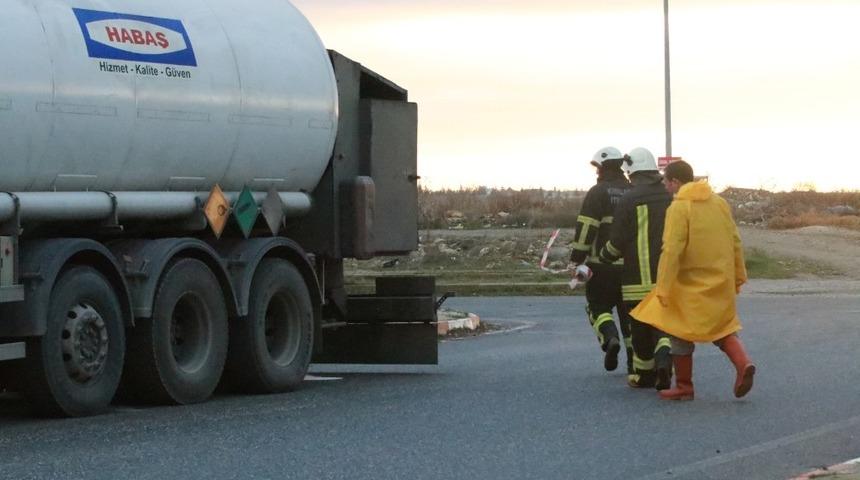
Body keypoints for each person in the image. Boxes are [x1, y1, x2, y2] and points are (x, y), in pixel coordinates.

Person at [631, 160, 756, 401]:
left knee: (679, 330)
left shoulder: (679, 207)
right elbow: (735, 241)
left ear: (675, 182)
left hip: (688, 283)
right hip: (720, 280)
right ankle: (743, 364)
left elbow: (672, 250)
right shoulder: (719, 204)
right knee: (722, 328)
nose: (665, 186)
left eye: (666, 181)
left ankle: (684, 387)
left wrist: (663, 287)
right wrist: (739, 275)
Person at [598, 147, 673, 390]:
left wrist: (603, 257)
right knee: (664, 324)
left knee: (640, 330)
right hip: (667, 278)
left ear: (632, 171)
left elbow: (617, 242)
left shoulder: (629, 199)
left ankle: (644, 376)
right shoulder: (669, 196)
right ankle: (665, 356)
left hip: (635, 281)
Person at [569, 147, 632, 372]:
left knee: (598, 307)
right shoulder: (633, 192)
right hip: (631, 268)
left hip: (601, 266)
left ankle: (609, 336)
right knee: (630, 318)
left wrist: (577, 258)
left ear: (604, 168)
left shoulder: (597, 193)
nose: (596, 172)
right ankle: (636, 365)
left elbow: (586, 227)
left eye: (597, 168)